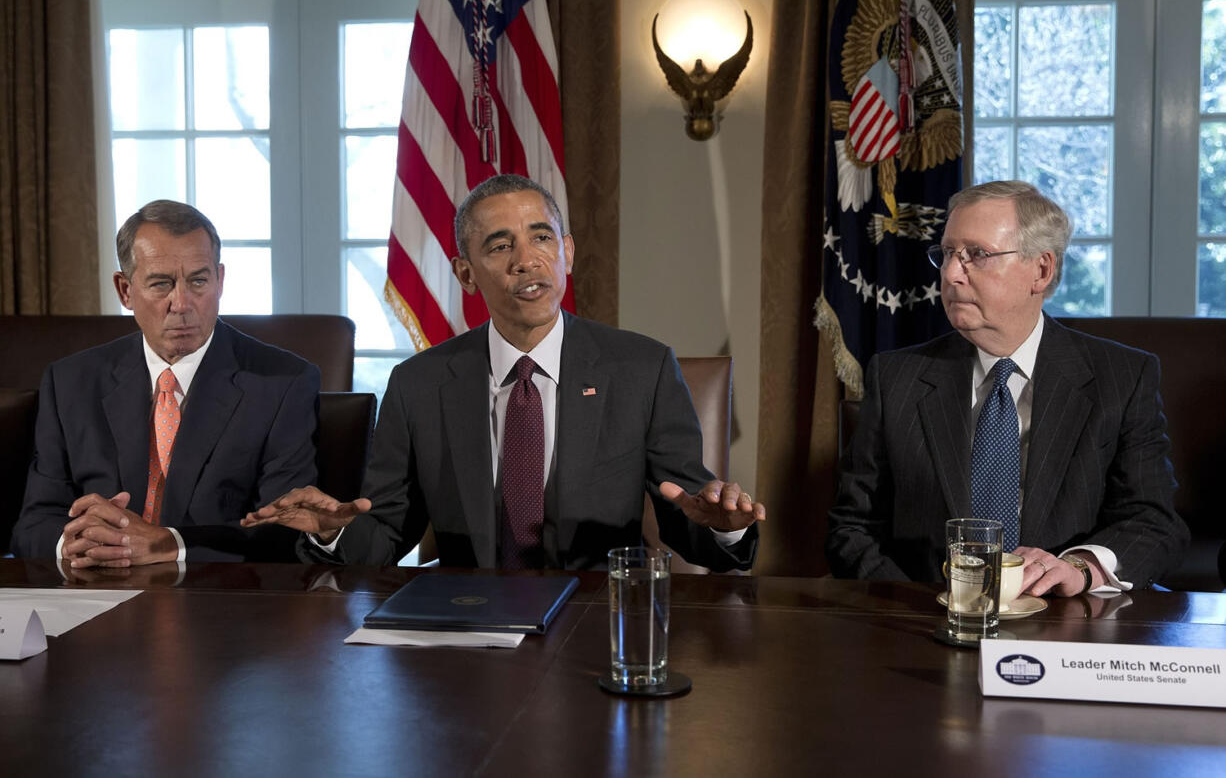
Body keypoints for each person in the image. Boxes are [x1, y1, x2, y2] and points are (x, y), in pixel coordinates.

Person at [243, 174, 764, 570]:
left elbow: (690, 514)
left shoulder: (642, 370)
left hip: (594, 621)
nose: (526, 260)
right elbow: (386, 534)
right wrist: (333, 532)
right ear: (465, 273)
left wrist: (726, 531)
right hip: (467, 622)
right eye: (499, 245)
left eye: (542, 239)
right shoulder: (418, 384)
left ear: (568, 253)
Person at [826, 180, 1189, 595]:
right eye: (946, 254)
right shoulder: (896, 377)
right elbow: (851, 528)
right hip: (923, 619)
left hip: (1062, 622)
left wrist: (1083, 568)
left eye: (976, 255)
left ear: (1041, 270)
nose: (949, 273)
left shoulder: (1123, 377)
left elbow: (1154, 522)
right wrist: (916, 607)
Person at [12, 200, 320, 565]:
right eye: (162, 284)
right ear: (125, 290)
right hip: (96, 590)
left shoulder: (282, 384)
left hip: (214, 601)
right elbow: (33, 526)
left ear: (220, 281)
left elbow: (284, 533)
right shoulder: (70, 383)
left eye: (199, 281)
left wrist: (168, 545)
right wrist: (73, 544)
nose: (182, 303)